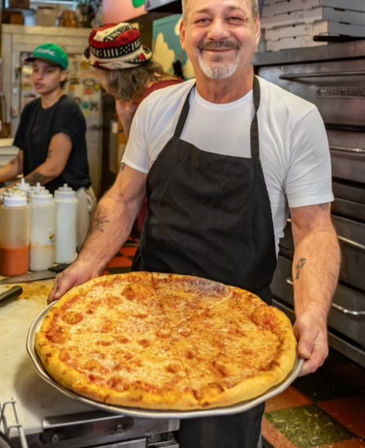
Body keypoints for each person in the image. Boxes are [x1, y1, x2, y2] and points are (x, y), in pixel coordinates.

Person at [49, 0, 341, 446]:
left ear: (257, 30)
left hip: (239, 334)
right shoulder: (157, 109)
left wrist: (314, 313)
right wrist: (87, 264)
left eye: (234, 17)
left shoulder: (294, 120)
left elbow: (314, 229)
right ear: (183, 32)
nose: (217, 31)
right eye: (203, 19)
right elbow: (125, 197)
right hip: (138, 316)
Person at [84, 22, 183, 234]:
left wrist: (127, 120)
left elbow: (141, 174)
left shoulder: (155, 102)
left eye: (98, 75)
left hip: (165, 226)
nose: (100, 83)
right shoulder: (168, 87)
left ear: (113, 75)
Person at [0, 43, 96, 247]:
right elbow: (19, 163)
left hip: (68, 200)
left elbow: (53, 168)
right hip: (41, 198)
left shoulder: (67, 109)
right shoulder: (31, 109)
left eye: (48, 71)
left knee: (67, 263)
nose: (38, 77)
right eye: (35, 70)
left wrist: (10, 192)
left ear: (63, 76)